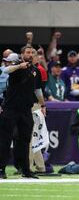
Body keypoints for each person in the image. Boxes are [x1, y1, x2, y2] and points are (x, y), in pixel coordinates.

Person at [0, 45, 46, 179]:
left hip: (26, 109)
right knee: (5, 139)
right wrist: (19, 66)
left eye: (32, 52)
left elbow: (37, 90)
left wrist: (43, 104)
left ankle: (25, 169)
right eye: (27, 52)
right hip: (11, 108)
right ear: (22, 54)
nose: (30, 54)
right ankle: (1, 168)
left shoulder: (36, 70)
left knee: (25, 140)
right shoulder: (16, 65)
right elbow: (6, 70)